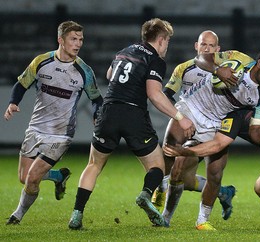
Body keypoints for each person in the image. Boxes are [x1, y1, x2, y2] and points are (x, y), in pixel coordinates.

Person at [67, 18, 195, 230]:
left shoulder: (123, 51)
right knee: (156, 166)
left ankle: (76, 214)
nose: (167, 46)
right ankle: (145, 195)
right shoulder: (155, 60)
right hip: (133, 113)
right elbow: (154, 94)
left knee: (94, 165)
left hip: (108, 112)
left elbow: (110, 75)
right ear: (161, 40)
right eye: (168, 41)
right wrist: (181, 118)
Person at [162, 47, 260, 230]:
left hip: (216, 122)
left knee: (216, 174)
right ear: (259, 63)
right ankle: (164, 216)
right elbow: (201, 58)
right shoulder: (238, 58)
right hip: (192, 108)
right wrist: (217, 70)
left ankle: (202, 221)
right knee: (169, 153)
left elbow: (256, 129)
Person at [4, 21, 104, 225]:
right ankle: (58, 176)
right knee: (24, 178)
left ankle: (17, 216)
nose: (78, 44)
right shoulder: (41, 62)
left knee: (32, 179)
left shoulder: (84, 71)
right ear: (61, 40)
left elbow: (96, 99)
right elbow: (21, 84)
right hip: (35, 128)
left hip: (60, 134)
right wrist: (13, 102)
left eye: (81, 40)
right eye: (73, 39)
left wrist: (97, 115)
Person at [152, 30, 236, 225]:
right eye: (203, 44)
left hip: (212, 128)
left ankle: (165, 217)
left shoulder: (225, 71)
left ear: (218, 49)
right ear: (196, 46)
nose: (207, 48)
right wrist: (179, 117)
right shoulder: (184, 68)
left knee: (181, 169)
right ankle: (223, 193)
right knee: (179, 173)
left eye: (211, 46)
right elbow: (167, 94)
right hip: (189, 122)